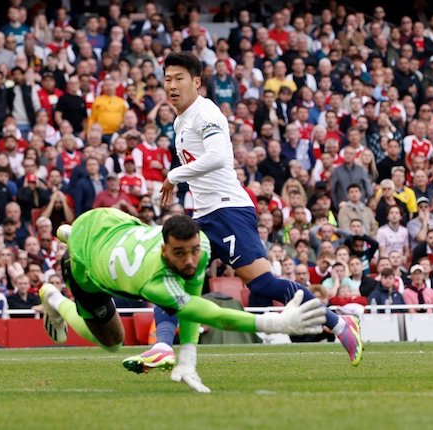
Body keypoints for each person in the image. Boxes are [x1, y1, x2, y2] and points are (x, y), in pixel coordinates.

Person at [146, 52, 361, 369]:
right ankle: (163, 346)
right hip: (205, 216)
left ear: (196, 82)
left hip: (229, 211)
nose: (172, 86)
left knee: (264, 285)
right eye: (167, 80)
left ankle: (340, 323)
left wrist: (174, 175)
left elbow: (219, 157)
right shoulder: (180, 120)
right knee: (168, 275)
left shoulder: (206, 114)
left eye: (179, 79)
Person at [40, 208, 326, 393]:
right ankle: (54, 299)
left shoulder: (199, 244)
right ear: (165, 250)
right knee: (112, 341)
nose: (189, 261)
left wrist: (188, 358)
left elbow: (192, 295)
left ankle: (68, 231)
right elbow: (212, 314)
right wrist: (275, 322)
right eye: (179, 254)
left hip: (110, 222)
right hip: (85, 260)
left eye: (192, 252)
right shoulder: (154, 282)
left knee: (186, 278)